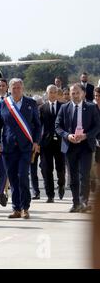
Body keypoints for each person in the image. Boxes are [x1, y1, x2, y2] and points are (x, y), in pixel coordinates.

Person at [0, 78, 41, 219]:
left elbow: (38, 125)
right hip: (8, 148)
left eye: (18, 87)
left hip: (25, 147)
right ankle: (16, 208)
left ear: (22, 88)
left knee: (22, 177)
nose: (16, 90)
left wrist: (36, 141)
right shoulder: (3, 104)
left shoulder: (30, 103)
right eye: (13, 87)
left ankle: (25, 208)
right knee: (13, 178)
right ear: (9, 88)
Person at [55, 83, 100, 213]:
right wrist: (67, 136)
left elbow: (97, 126)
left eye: (77, 93)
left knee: (84, 175)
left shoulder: (91, 108)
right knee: (73, 177)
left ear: (83, 93)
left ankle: (83, 202)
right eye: (72, 93)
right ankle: (75, 203)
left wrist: (86, 135)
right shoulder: (64, 108)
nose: (74, 95)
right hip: (70, 146)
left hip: (86, 146)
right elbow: (57, 126)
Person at [39, 85, 66, 203]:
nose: (53, 94)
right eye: (51, 92)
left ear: (57, 94)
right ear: (47, 93)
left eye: (55, 92)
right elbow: (38, 126)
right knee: (47, 169)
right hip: (46, 143)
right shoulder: (42, 108)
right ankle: (50, 195)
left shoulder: (63, 107)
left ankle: (61, 184)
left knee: (60, 168)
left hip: (60, 142)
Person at [94, 87, 100, 190]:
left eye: (99, 96)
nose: (97, 98)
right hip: (95, 139)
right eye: (95, 96)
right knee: (97, 162)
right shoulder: (92, 108)